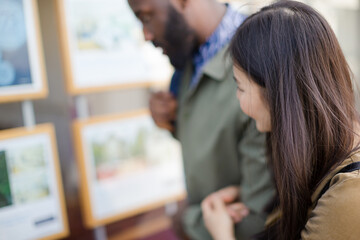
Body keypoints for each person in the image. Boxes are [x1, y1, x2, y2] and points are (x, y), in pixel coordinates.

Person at [201, 1, 360, 240]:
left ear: (278, 94)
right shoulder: (318, 160)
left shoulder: (349, 198)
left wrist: (221, 233)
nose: (238, 99)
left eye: (241, 87)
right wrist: (247, 195)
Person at [127, 0, 275, 239]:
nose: (146, 34)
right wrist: (171, 122)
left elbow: (259, 219)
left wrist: (187, 221)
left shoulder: (260, 60)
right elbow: (214, 137)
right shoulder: (188, 61)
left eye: (146, 17)